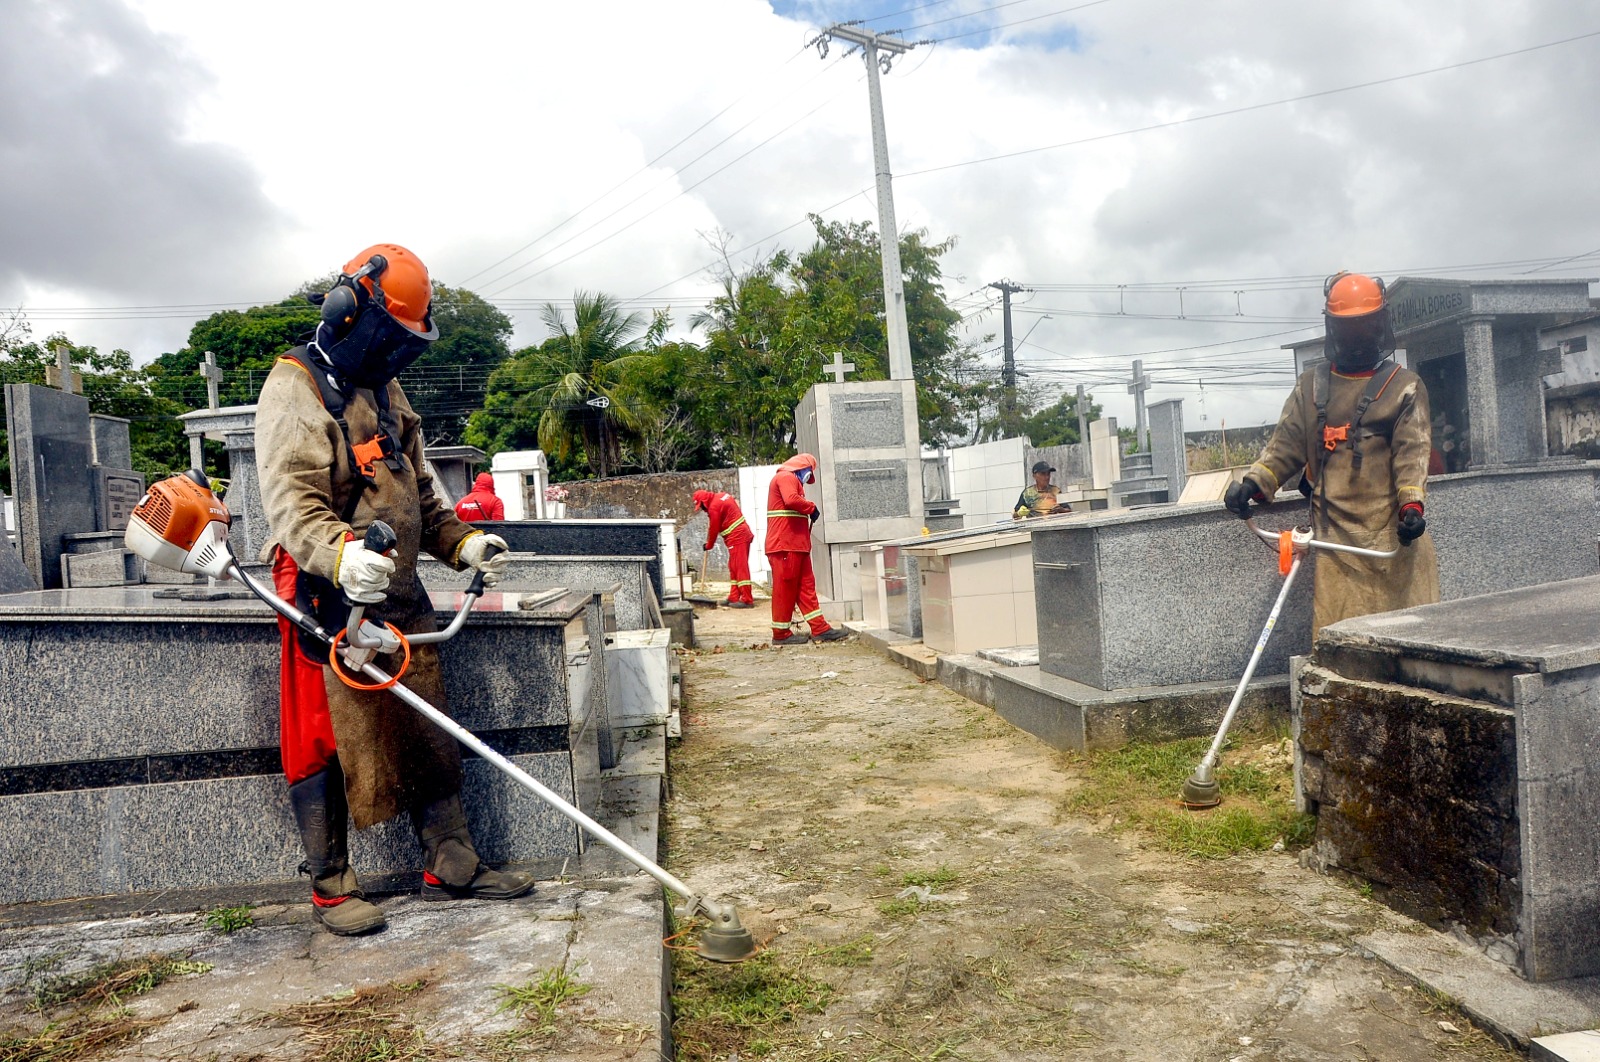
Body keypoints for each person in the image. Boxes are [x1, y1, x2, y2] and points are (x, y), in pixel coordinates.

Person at [256, 243, 531, 936]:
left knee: (427, 720)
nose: (398, 354)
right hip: (324, 590)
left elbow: (421, 496)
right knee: (325, 736)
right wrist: (341, 557)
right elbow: (292, 508)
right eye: (392, 337)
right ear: (351, 313)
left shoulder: (384, 390)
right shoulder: (295, 387)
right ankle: (329, 884)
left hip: (399, 586)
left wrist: (461, 542)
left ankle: (453, 862)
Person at [1225, 271, 1440, 634]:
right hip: (1335, 542)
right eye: (1347, 330)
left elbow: (1412, 454)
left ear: (1380, 326)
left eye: (1365, 327)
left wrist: (1412, 509)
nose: (1357, 339)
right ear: (1333, 329)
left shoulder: (1404, 387)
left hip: (1392, 540)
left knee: (1409, 641)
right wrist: (1253, 484)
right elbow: (1286, 445)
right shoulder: (1311, 387)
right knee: (1339, 643)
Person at [764, 453, 849, 645]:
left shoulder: (790, 479)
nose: (808, 479)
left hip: (794, 545)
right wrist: (811, 507)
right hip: (785, 546)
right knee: (785, 590)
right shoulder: (785, 477)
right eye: (809, 474)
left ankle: (820, 628)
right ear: (803, 468)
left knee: (806, 588)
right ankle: (780, 633)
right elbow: (791, 500)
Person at [693, 489, 754, 608]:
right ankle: (734, 596)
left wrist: (708, 545)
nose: (703, 510)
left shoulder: (714, 507)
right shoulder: (722, 496)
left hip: (738, 537)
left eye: (702, 507)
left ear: (704, 501)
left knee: (740, 567)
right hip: (739, 535)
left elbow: (714, 529)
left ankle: (747, 599)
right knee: (733, 566)